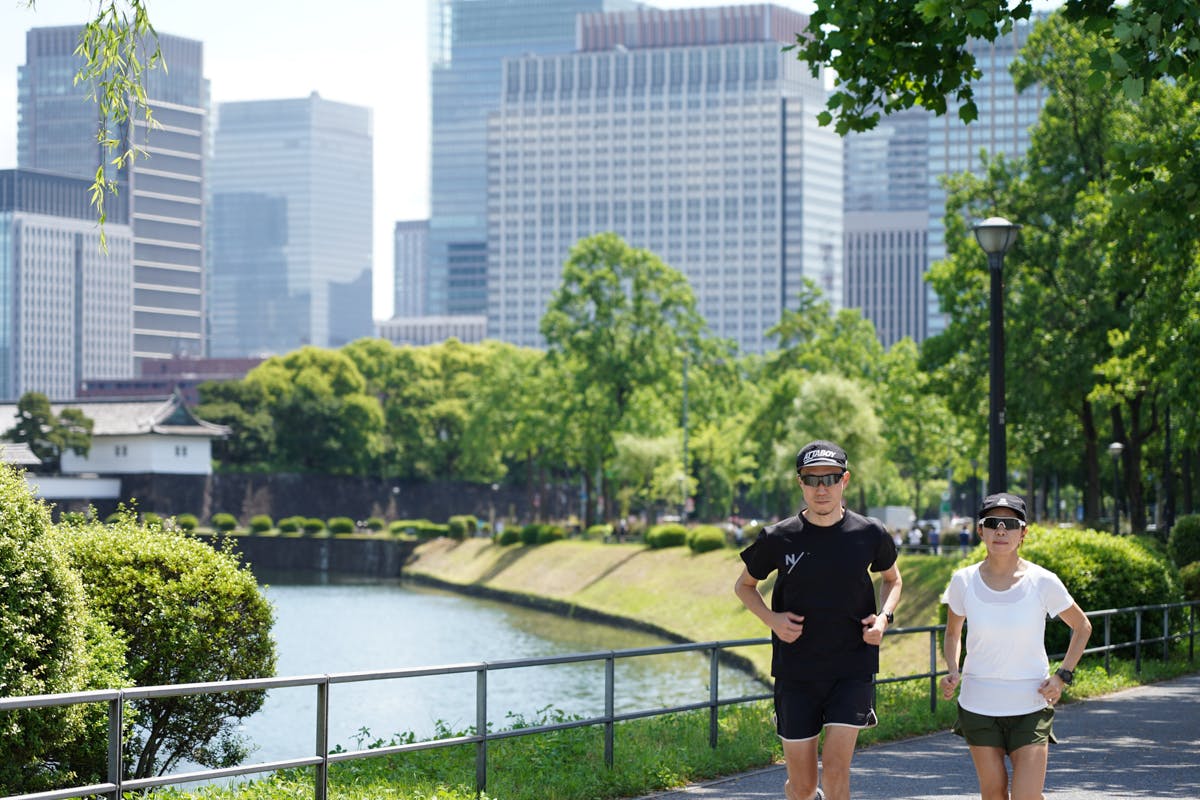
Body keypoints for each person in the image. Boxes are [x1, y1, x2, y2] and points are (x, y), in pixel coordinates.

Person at [735, 440, 902, 800]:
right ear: (800, 484)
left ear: (846, 480)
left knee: (838, 771)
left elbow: (893, 579)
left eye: (830, 478)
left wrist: (884, 619)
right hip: (796, 672)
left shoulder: (869, 533)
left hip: (851, 667)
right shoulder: (778, 537)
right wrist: (773, 620)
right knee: (802, 787)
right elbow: (745, 586)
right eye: (812, 480)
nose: (821, 488)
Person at [940, 493, 1092, 800]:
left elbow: (1082, 626)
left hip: (1030, 704)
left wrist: (1063, 676)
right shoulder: (963, 581)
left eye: (1009, 524)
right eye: (992, 523)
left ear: (1023, 533)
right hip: (978, 705)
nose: (1000, 531)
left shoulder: (1042, 581)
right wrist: (952, 670)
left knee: (1026, 796)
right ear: (980, 530)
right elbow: (952, 634)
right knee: (993, 793)